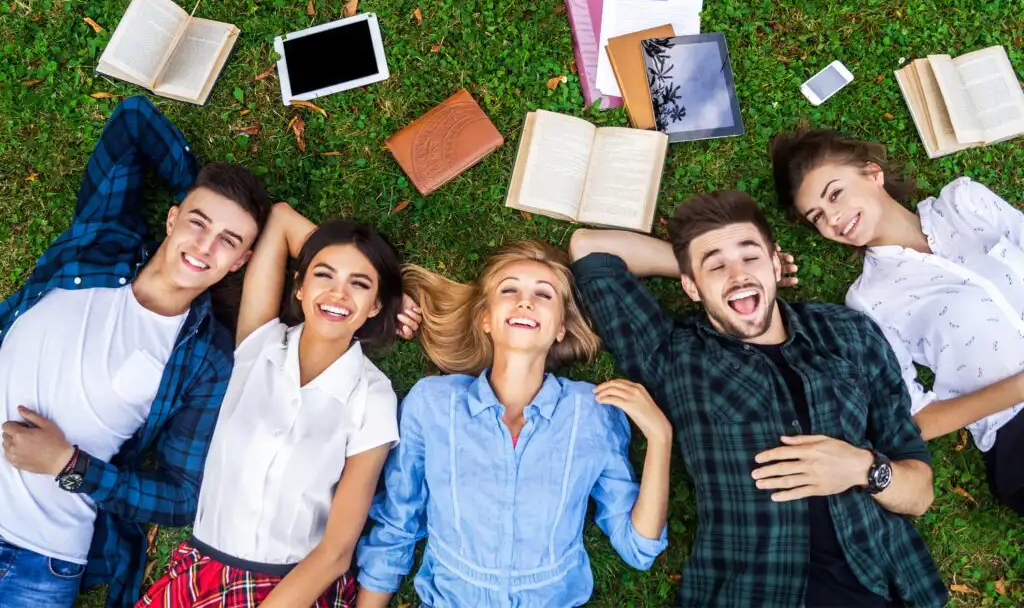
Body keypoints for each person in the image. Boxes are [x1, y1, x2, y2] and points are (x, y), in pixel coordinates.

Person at [568, 191, 947, 608]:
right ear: (690, 286)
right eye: (716, 265)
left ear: (775, 265)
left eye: (751, 257)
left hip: (876, 588)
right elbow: (589, 248)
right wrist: (699, 270)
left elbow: (920, 494)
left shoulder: (849, 333)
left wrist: (863, 468)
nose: (738, 275)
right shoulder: (670, 353)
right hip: (748, 593)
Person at [0, 96, 271, 608]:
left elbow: (182, 496)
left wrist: (68, 464)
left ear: (241, 262)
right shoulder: (104, 242)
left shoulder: (208, 359)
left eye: (228, 241)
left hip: (35, 558)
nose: (204, 246)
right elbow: (133, 120)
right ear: (172, 218)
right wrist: (200, 185)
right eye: (198, 222)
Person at [356, 241, 672, 608]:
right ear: (485, 319)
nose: (526, 302)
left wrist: (660, 437)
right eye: (509, 290)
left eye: (544, 294)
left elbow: (639, 547)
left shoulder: (592, 412)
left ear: (560, 328)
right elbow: (397, 525)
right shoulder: (433, 404)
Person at [137, 203, 414, 607]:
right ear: (299, 286)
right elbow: (281, 219)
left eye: (359, 284)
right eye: (324, 275)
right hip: (199, 574)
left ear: (375, 307)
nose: (338, 294)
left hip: (293, 590)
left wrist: (384, 290)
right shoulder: (259, 343)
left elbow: (336, 553)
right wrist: (366, 272)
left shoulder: (373, 395)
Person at [771, 128, 1024, 516]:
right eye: (816, 216)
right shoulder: (870, 300)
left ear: (873, 173)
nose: (832, 218)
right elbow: (919, 420)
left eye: (834, 194)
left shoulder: (965, 201)